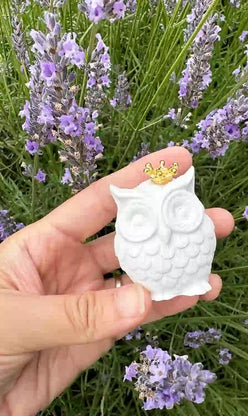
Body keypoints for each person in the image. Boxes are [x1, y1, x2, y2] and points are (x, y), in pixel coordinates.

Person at [0, 147, 234, 416]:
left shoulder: (199, 230)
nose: (164, 232)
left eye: (179, 209)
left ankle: (191, 283)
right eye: (143, 217)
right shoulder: (128, 244)